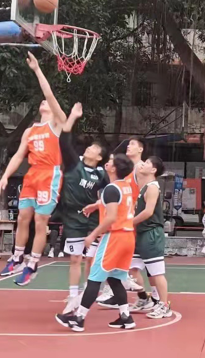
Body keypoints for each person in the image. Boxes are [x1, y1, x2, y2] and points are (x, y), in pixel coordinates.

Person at [0, 52, 67, 286]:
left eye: (48, 102)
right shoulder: (30, 131)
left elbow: (49, 94)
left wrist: (37, 70)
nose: (44, 102)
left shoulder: (56, 124)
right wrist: (5, 176)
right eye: (43, 102)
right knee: (23, 217)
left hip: (50, 174)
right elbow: (19, 155)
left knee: (40, 220)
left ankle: (33, 263)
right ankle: (18, 256)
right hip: (32, 174)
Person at [55, 154, 136, 332]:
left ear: (114, 168)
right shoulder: (125, 186)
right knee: (114, 278)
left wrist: (93, 235)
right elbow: (115, 204)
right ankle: (126, 316)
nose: (108, 161)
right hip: (128, 237)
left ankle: (79, 318)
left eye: (111, 161)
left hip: (114, 237)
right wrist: (96, 205)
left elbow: (111, 217)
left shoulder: (111, 189)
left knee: (94, 278)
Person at [57, 102, 108, 314]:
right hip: (72, 218)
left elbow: (111, 196)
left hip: (93, 219)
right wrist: (73, 116)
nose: (89, 148)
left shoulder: (102, 174)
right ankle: (72, 294)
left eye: (94, 149)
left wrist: (98, 205)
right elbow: (64, 140)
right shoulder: (73, 164)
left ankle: (93, 290)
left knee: (93, 258)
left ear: (99, 157)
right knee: (75, 258)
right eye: (89, 146)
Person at [96, 137, 146, 306]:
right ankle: (125, 296)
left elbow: (145, 194)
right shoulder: (125, 171)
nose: (128, 146)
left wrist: (136, 216)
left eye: (133, 144)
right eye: (128, 144)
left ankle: (149, 298)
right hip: (124, 219)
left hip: (131, 221)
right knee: (126, 263)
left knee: (134, 264)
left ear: (141, 149)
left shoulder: (140, 168)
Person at [130, 156, 172, 319]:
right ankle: (144, 298)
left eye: (147, 163)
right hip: (141, 233)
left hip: (151, 233)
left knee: (156, 272)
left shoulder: (153, 187)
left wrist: (129, 222)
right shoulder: (143, 186)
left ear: (153, 170)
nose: (143, 164)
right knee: (132, 268)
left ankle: (164, 305)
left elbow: (148, 212)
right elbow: (136, 170)